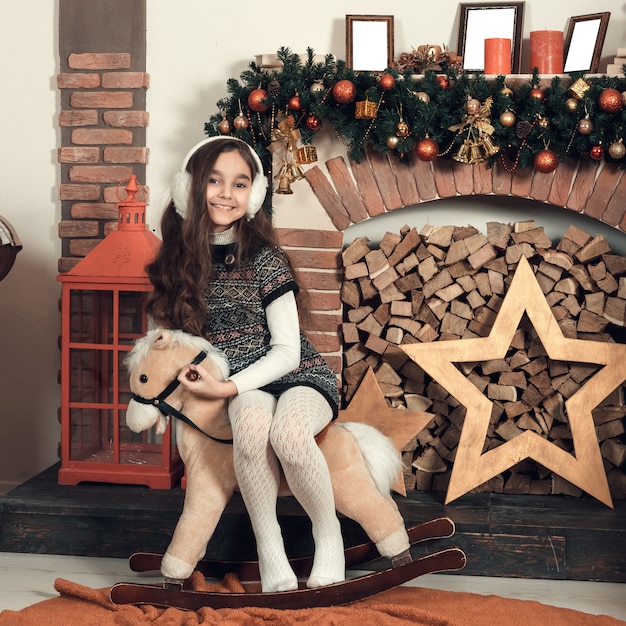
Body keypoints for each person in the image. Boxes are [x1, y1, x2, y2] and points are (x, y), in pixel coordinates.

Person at [145, 136, 345, 593]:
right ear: (190, 188)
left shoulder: (265, 259)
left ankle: (327, 533)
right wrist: (166, 397)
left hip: (296, 376)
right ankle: (269, 546)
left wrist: (227, 390)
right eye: (214, 181)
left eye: (239, 184)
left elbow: (287, 351)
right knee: (253, 433)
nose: (225, 193)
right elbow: (171, 346)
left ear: (253, 195)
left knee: (290, 435)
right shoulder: (176, 262)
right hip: (237, 384)